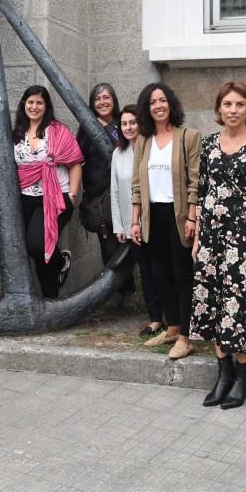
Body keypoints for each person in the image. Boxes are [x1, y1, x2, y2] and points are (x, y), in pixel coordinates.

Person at [190, 82, 246, 409]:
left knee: (239, 303)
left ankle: (243, 376)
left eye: (239, 104)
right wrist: (197, 236)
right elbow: (202, 190)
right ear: (219, 109)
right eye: (227, 104)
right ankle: (223, 374)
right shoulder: (209, 143)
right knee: (212, 300)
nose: (233, 110)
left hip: (242, 235)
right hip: (210, 234)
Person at [130, 83, 200, 360]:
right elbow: (137, 185)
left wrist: (192, 216)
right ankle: (172, 327)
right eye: (152, 102)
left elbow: (195, 182)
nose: (158, 106)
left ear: (170, 103)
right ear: (147, 109)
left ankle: (186, 336)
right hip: (152, 216)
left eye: (162, 100)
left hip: (179, 215)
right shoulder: (143, 141)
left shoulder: (188, 137)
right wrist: (135, 221)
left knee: (183, 275)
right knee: (161, 273)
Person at [13, 85, 83, 298]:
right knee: (41, 252)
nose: (34, 106)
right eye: (30, 102)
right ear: (24, 104)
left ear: (46, 106)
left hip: (56, 197)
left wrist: (72, 195)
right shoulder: (16, 133)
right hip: (26, 198)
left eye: (39, 103)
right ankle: (50, 297)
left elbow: (75, 163)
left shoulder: (57, 130)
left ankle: (62, 262)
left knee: (38, 245)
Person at [110, 104, 162, 336]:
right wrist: (119, 225)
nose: (129, 127)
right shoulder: (118, 154)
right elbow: (115, 192)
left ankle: (173, 317)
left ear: (141, 124)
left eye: (133, 122)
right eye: (124, 124)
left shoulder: (152, 149)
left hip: (154, 220)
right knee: (146, 270)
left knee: (162, 269)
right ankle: (155, 318)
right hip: (131, 225)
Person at [76, 84, 128, 284]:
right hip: (99, 198)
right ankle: (117, 290)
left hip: (123, 195)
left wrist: (104, 128)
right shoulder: (86, 127)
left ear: (113, 100)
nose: (102, 102)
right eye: (97, 99)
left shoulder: (122, 123)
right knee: (109, 247)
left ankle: (127, 286)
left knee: (126, 245)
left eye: (106, 97)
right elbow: (77, 154)